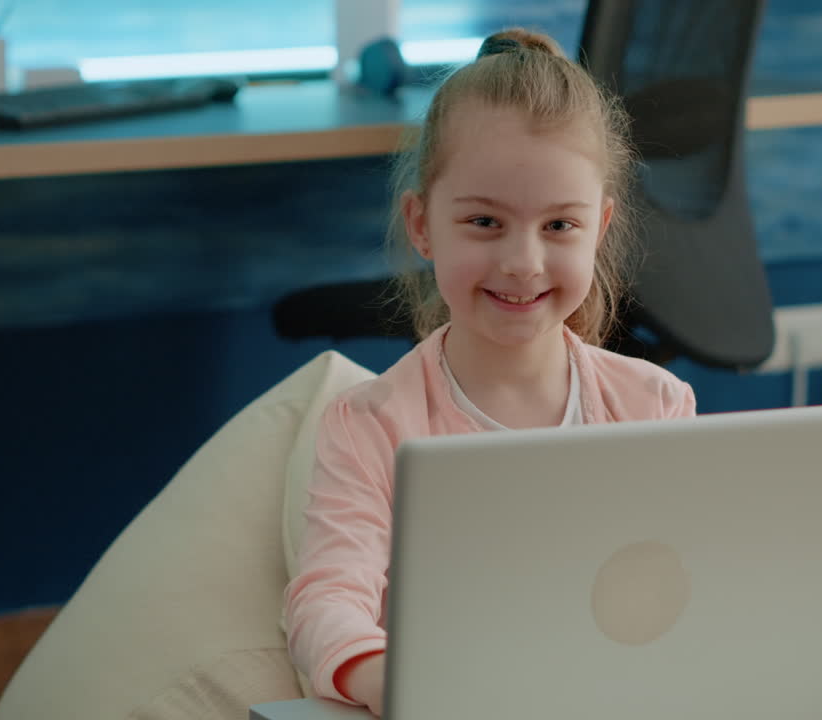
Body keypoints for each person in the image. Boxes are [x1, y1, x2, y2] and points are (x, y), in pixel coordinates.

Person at [283, 28, 697, 716]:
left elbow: (682, 592)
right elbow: (326, 606)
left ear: (600, 226)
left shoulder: (654, 405)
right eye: (484, 221)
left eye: (560, 226)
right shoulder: (372, 426)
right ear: (421, 224)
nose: (523, 262)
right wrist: (402, 685)